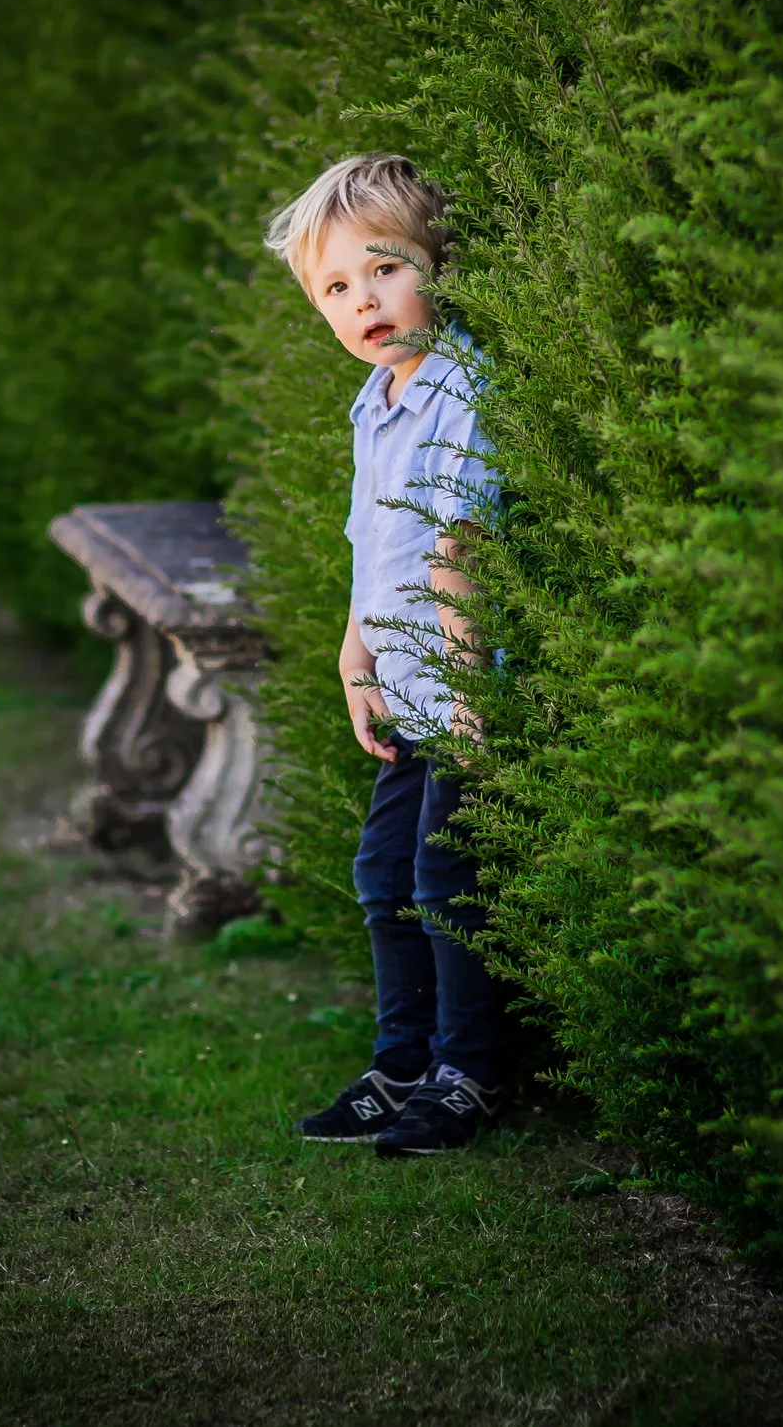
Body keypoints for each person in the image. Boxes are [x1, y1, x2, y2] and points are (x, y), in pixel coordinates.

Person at [267, 153, 506, 1156]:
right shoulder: (377, 399)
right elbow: (376, 543)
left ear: (436, 265)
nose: (363, 300)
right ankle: (402, 1062)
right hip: (404, 693)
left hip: (456, 698)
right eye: (336, 287)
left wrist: (464, 691)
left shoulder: (460, 390)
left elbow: (458, 542)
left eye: (384, 269)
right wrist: (353, 656)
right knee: (384, 876)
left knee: (448, 883)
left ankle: (467, 1074)